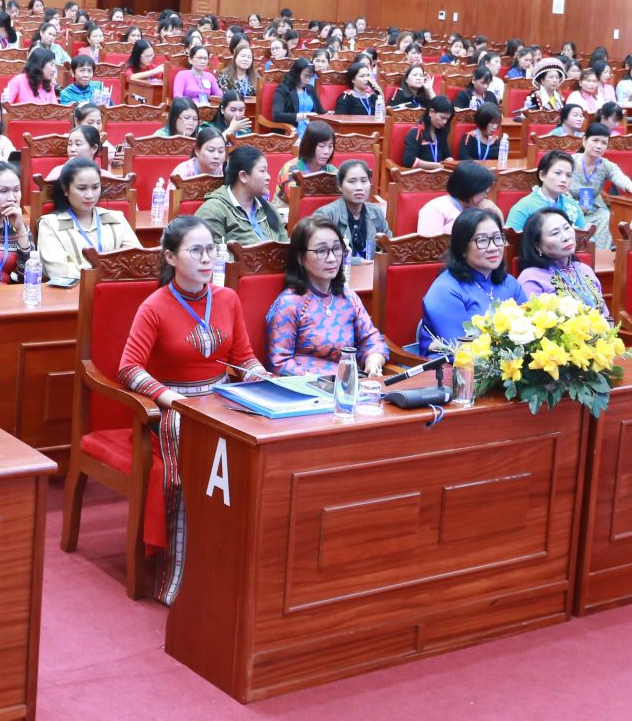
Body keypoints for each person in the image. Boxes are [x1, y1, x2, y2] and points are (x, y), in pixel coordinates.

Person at [118, 215, 270, 603]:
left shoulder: (227, 298)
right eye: (196, 250)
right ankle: (177, 580)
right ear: (170, 257)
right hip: (175, 409)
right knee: (194, 465)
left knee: (259, 450)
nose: (207, 258)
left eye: (211, 250)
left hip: (221, 400)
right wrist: (172, 399)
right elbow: (129, 368)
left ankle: (233, 574)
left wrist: (261, 377)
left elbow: (243, 358)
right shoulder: (154, 306)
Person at [266, 216, 387, 378]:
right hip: (306, 388)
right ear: (300, 258)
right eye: (321, 251)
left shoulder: (347, 296)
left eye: (337, 248)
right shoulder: (289, 303)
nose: (332, 258)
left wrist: (373, 362)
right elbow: (279, 363)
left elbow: (371, 340)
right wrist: (323, 382)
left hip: (350, 383)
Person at [418, 207, 527, 350]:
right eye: (482, 240)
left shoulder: (509, 283)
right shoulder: (445, 290)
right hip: (453, 361)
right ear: (462, 249)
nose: (493, 247)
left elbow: (529, 328)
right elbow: (460, 350)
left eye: (497, 238)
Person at [35, 158, 140, 283]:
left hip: (115, 289)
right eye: (82, 188)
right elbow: (58, 271)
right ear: (65, 189)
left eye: (95, 187)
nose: (90, 195)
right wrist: (111, 272)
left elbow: (136, 260)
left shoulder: (117, 218)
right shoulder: (50, 224)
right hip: (74, 292)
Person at [516, 207, 607, 314]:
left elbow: (605, 315)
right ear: (538, 246)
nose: (566, 237)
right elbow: (533, 320)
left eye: (567, 228)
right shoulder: (531, 278)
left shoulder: (584, 269)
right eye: (555, 233)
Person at [196, 145, 288, 246]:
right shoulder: (213, 211)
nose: (268, 177)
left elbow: (286, 246)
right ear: (243, 176)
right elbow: (213, 252)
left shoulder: (268, 208)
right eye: (262, 171)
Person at [312, 160, 390, 261]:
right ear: (340, 186)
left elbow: (390, 246)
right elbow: (319, 254)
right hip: (338, 270)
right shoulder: (326, 215)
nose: (359, 187)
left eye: (364, 181)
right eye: (352, 181)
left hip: (372, 269)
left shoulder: (375, 212)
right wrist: (358, 262)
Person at [418, 161, 497, 236]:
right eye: (484, 192)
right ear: (470, 189)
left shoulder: (480, 208)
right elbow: (429, 244)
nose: (485, 196)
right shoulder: (436, 208)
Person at [275, 121, 336, 199]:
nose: (326, 152)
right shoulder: (291, 169)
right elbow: (295, 198)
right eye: (321, 146)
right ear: (308, 145)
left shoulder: (331, 171)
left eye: (330, 146)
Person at [402, 94, 455, 169]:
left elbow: (447, 155)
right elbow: (410, 161)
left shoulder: (441, 132)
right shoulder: (416, 132)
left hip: (439, 173)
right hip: (420, 174)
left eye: (447, 119)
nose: (445, 122)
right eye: (442, 117)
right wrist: (438, 166)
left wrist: (449, 160)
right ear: (431, 112)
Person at [270, 57, 320, 133]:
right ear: (296, 74)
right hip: (290, 130)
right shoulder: (283, 89)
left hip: (311, 130)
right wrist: (304, 116)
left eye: (310, 77)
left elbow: (320, 112)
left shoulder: (310, 89)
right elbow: (277, 116)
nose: (308, 80)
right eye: (305, 76)